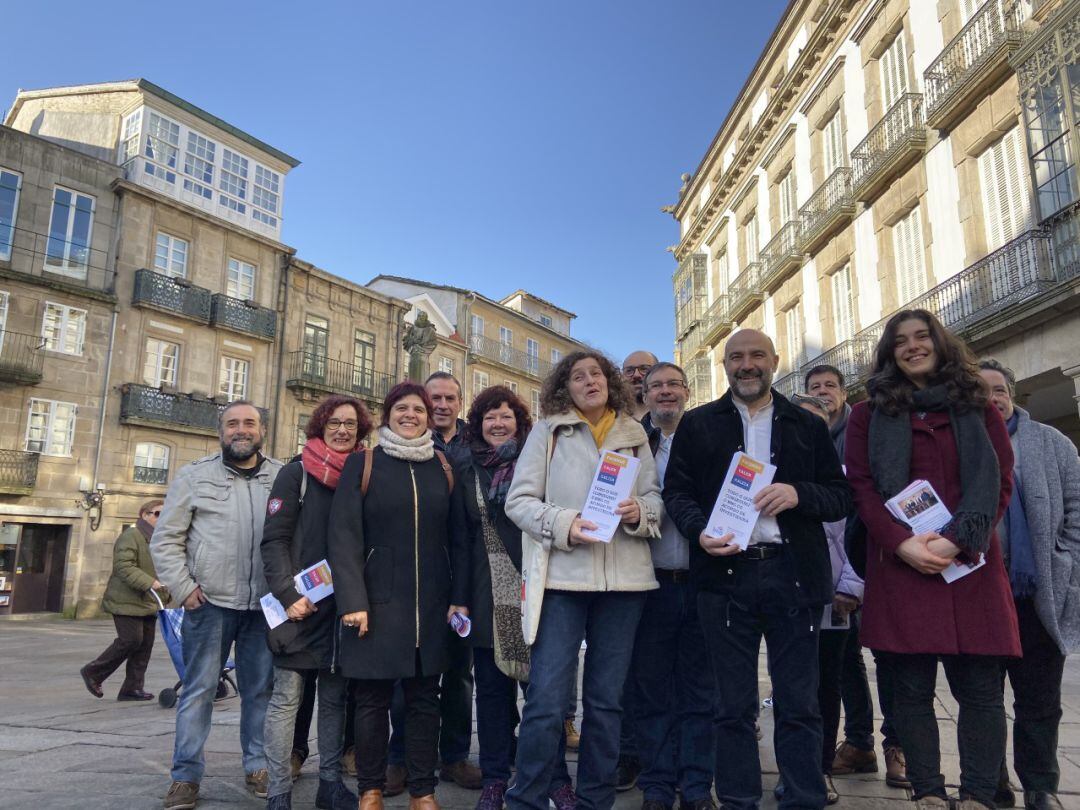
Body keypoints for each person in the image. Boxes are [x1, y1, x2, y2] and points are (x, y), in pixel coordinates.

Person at [663, 328, 852, 810]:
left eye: (756, 356)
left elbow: (839, 496)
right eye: (736, 357)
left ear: (774, 360)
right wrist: (698, 530)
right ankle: (738, 798)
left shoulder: (805, 424)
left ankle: (805, 797)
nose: (746, 365)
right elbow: (677, 494)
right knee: (731, 706)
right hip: (724, 577)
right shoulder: (699, 424)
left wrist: (797, 493)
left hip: (793, 575)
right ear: (724, 365)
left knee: (800, 703)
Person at [845, 310, 1019, 810]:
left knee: (982, 693)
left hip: (972, 567)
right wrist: (901, 543)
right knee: (911, 692)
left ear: (941, 344)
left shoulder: (977, 407)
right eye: (901, 341)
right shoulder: (867, 414)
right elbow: (862, 487)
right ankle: (928, 792)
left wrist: (959, 541)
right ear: (889, 352)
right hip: (903, 567)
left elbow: (999, 479)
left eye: (922, 337)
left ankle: (980, 795)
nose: (913, 346)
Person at [505, 350, 662, 810]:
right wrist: (565, 523)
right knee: (546, 701)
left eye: (596, 373)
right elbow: (519, 502)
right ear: (565, 388)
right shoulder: (547, 431)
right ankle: (526, 799)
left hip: (625, 586)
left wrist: (641, 512)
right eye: (578, 376)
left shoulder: (635, 435)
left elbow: (655, 497)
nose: (589, 381)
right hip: (563, 583)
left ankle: (595, 800)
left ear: (609, 382)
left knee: (606, 703)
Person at [329, 382, 457, 810]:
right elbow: (343, 537)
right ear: (388, 415)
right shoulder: (363, 464)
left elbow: (456, 539)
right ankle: (371, 788)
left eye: (418, 409)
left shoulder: (441, 465)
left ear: (428, 417)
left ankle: (423, 790)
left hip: (430, 606)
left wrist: (457, 598)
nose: (411, 415)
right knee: (371, 702)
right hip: (376, 603)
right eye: (402, 408)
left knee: (424, 701)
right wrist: (352, 601)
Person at [152, 401, 283, 810]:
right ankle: (185, 777)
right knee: (198, 691)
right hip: (208, 604)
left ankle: (258, 766)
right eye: (232, 424)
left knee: (260, 691)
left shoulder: (282, 477)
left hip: (263, 607)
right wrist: (183, 586)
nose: (240, 430)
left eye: (249, 423)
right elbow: (166, 539)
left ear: (262, 430)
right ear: (220, 431)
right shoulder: (193, 476)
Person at [450, 385, 575, 810]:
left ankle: (553, 776)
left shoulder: (540, 462)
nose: (498, 423)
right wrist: (461, 598)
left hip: (539, 590)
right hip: (488, 593)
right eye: (489, 417)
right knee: (492, 693)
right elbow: (462, 540)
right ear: (478, 425)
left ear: (520, 422)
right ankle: (496, 776)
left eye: (506, 415)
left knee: (543, 695)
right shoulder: (467, 468)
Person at [261, 395, 372, 810]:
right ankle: (278, 791)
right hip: (299, 606)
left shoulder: (363, 475)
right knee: (287, 698)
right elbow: (273, 541)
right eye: (334, 423)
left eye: (350, 425)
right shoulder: (296, 474)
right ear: (320, 427)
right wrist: (288, 596)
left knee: (334, 698)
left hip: (341, 606)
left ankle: (329, 784)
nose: (342, 430)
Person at [979, 359, 1080, 810]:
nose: (991, 399)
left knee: (1040, 701)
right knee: (982, 701)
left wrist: (1065, 557)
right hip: (980, 596)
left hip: (1038, 595)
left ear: (1011, 395)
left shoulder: (1051, 442)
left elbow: (1078, 506)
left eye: (998, 390)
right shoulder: (961, 445)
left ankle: (1041, 786)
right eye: (980, 392)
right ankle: (992, 784)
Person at [804, 365, 908, 789]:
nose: (823, 394)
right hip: (821, 583)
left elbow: (868, 515)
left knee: (886, 660)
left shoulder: (862, 438)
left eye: (830, 386)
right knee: (840, 666)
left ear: (845, 395)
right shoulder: (794, 451)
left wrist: (855, 582)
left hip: (868, 572)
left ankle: (892, 746)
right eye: (814, 388)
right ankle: (857, 743)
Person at [629, 362, 716, 810]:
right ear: (643, 395)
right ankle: (658, 784)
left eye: (672, 385)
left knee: (701, 690)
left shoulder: (709, 439)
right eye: (655, 386)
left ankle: (698, 786)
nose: (665, 393)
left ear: (687, 391)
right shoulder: (630, 445)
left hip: (704, 580)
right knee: (653, 690)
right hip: (651, 582)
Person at [791, 393, 864, 806]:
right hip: (783, 600)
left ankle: (820, 770)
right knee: (790, 689)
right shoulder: (768, 477)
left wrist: (851, 588)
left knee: (826, 688)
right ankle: (792, 770)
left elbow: (858, 535)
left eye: (816, 420)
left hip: (832, 599)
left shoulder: (842, 476)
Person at [617, 348, 658, 789]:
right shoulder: (613, 427)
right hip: (625, 559)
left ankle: (661, 752)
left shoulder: (672, 424)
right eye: (629, 370)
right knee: (624, 669)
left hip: (669, 561)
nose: (638, 376)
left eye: (645, 370)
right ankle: (628, 753)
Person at [80, 499, 169, 702]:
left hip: (149, 601)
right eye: (157, 514)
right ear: (144, 514)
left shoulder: (159, 539)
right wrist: (150, 582)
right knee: (131, 640)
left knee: (145, 645)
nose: (161, 518)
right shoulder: (131, 535)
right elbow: (124, 566)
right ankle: (93, 672)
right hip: (126, 600)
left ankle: (132, 688)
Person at [623, 350, 659, 423]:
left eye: (644, 369)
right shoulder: (608, 420)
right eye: (629, 370)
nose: (636, 375)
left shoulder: (678, 421)